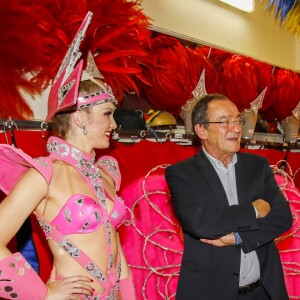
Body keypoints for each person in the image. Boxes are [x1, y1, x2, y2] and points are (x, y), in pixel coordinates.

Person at [0, 12, 136, 300]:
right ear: (79, 118)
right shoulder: (45, 174)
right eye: (107, 115)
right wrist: (42, 296)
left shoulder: (105, 174)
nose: (113, 125)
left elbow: (116, 252)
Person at [165, 93, 293, 300]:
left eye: (237, 120)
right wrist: (254, 210)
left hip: (264, 291)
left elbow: (283, 217)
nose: (235, 128)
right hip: (211, 292)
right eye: (225, 122)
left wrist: (238, 237)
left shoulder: (257, 166)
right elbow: (200, 223)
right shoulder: (182, 174)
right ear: (201, 130)